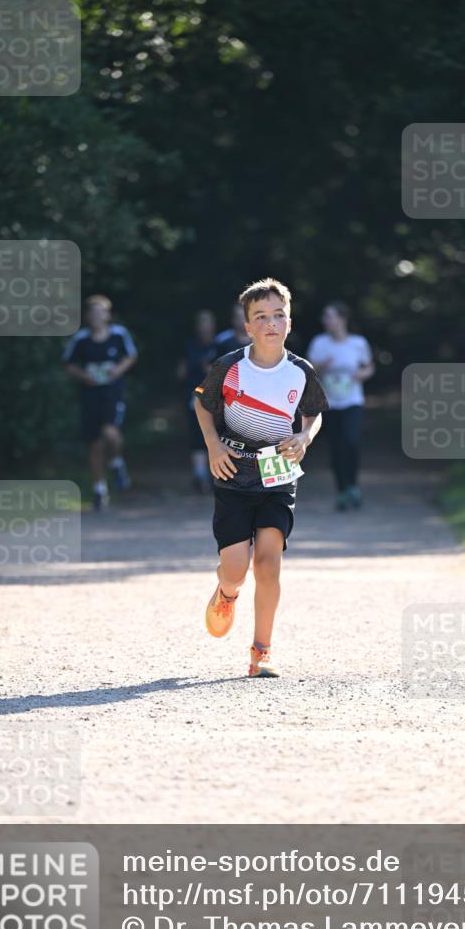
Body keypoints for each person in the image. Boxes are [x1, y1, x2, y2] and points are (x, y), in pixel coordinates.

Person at [194, 278, 329, 678]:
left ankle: (261, 652)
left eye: (278, 315)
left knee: (268, 565)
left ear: (289, 321)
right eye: (261, 317)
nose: (271, 323)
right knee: (236, 568)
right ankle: (227, 591)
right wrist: (214, 446)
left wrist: (305, 436)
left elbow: (314, 412)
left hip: (278, 473)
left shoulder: (300, 370)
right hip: (233, 469)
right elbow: (202, 405)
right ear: (247, 326)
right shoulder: (230, 366)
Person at [62, 294, 138, 510]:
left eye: (101, 312)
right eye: (93, 312)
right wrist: (83, 376)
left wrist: (117, 370)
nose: (97, 316)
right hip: (89, 395)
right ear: (87, 316)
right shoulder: (81, 339)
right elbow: (68, 363)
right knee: (94, 444)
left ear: (107, 315)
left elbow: (131, 356)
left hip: (112, 393)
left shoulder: (118, 335)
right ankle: (99, 490)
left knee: (110, 433)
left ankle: (116, 462)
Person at [307, 302, 375, 511]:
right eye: (325, 317)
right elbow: (307, 370)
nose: (325, 320)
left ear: (342, 319)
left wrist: (362, 374)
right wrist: (320, 366)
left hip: (352, 401)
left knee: (351, 441)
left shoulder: (358, 343)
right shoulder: (319, 343)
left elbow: (369, 366)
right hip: (329, 403)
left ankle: (353, 484)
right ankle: (342, 491)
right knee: (336, 448)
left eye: (330, 316)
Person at [176, 309, 217, 493]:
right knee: (198, 432)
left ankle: (216, 474)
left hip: (218, 396)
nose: (204, 328)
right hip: (195, 394)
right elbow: (181, 372)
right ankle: (200, 475)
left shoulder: (220, 345)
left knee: (218, 432)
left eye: (207, 323)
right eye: (201, 324)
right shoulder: (189, 346)